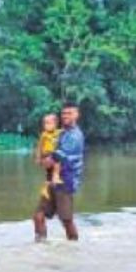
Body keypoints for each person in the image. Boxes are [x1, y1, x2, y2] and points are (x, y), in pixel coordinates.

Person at [34, 103, 84, 242]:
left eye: (69, 113)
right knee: (38, 216)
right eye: (63, 113)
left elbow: (59, 156)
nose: (65, 116)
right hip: (51, 180)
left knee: (66, 220)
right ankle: (39, 249)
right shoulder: (61, 133)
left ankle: (74, 247)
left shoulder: (75, 135)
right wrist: (42, 158)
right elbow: (45, 148)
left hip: (66, 181)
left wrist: (44, 161)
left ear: (76, 115)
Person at [34, 113, 63, 200]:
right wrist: (38, 157)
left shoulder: (58, 132)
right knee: (57, 161)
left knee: (49, 174)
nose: (46, 126)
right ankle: (56, 176)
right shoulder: (44, 134)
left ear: (55, 124)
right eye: (45, 123)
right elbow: (39, 146)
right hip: (47, 153)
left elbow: (63, 132)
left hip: (52, 153)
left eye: (49, 123)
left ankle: (45, 189)